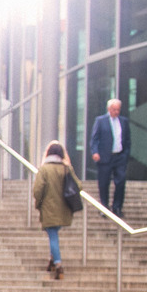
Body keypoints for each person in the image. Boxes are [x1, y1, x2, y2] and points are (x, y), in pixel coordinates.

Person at [31, 141, 78, 279]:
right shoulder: (66, 169)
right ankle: (52, 260)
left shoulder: (44, 169)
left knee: (52, 236)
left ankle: (58, 264)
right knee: (54, 234)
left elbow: (37, 190)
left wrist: (39, 204)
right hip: (63, 208)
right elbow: (78, 186)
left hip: (49, 208)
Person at [87, 97, 130, 217]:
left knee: (121, 181)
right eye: (114, 109)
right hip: (105, 157)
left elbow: (127, 140)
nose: (116, 112)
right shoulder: (100, 121)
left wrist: (125, 154)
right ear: (109, 109)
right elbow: (94, 139)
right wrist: (95, 152)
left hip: (120, 156)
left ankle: (117, 207)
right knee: (104, 183)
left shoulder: (124, 121)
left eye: (118, 110)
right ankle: (104, 207)